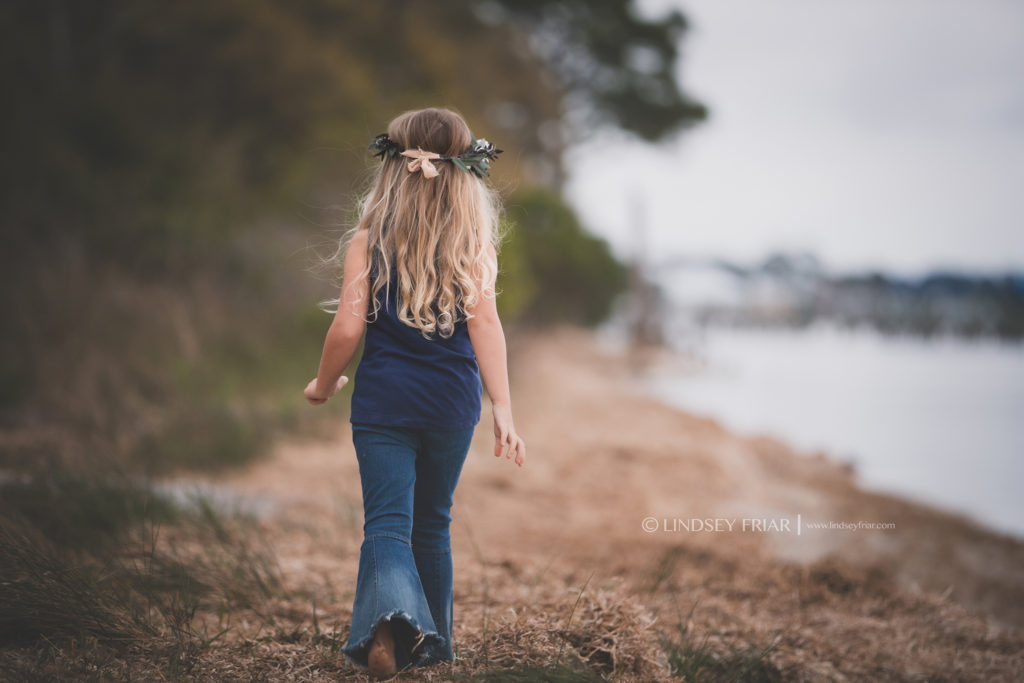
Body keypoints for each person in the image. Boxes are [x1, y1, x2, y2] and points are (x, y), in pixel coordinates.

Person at [303, 107, 526, 678]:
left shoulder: (369, 241)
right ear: (465, 173)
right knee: (433, 524)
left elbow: (348, 328)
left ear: (391, 170)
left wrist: (323, 384)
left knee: (385, 525)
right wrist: (502, 407)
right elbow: (486, 328)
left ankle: (385, 633)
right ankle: (433, 647)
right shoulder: (475, 245)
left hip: (383, 403)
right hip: (452, 407)